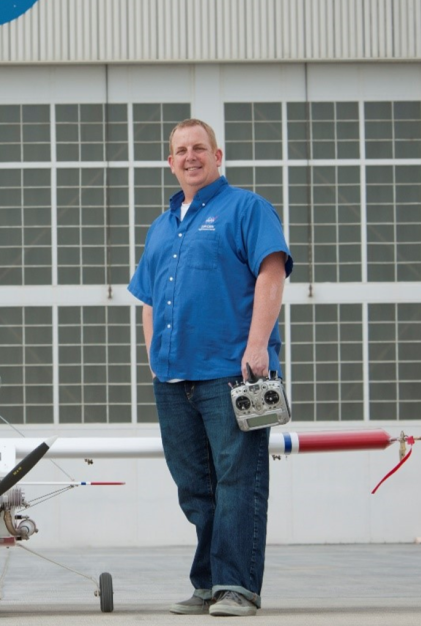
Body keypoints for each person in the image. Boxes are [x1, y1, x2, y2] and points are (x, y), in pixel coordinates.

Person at [128, 119, 292, 617]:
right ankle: (209, 583)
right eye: (181, 150)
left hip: (232, 373)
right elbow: (147, 299)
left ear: (218, 156)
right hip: (174, 380)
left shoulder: (246, 208)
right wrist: (155, 359)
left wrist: (258, 346)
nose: (191, 156)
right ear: (170, 161)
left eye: (200, 148)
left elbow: (271, 271)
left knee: (238, 479)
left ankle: (237, 587)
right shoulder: (161, 226)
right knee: (195, 487)